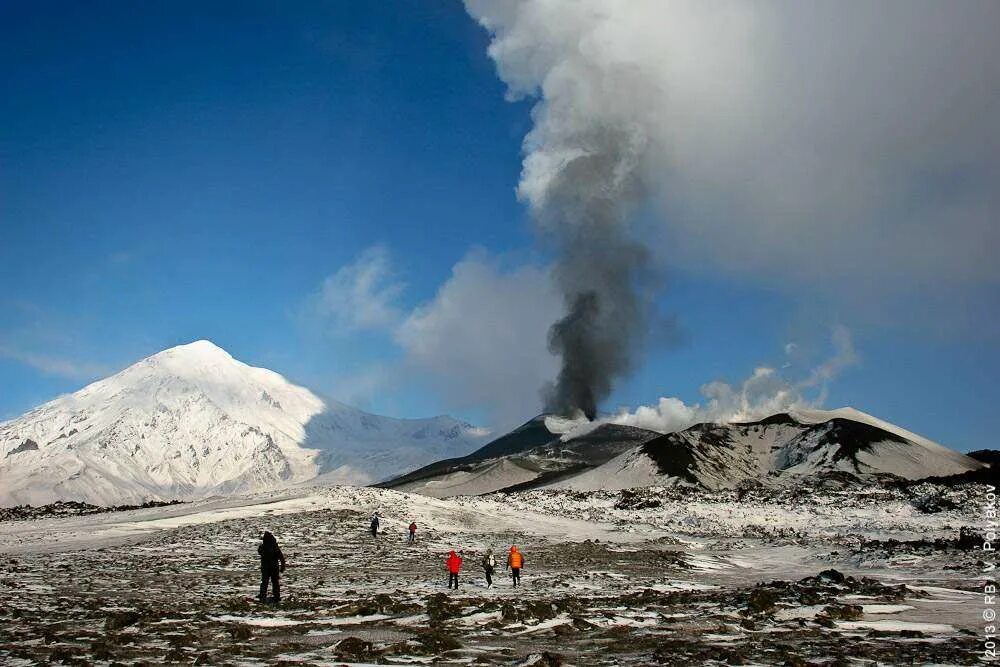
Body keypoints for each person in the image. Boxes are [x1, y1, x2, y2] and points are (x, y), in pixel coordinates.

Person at [257, 531, 286, 603]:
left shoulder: (263, 547)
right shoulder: (274, 546)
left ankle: (263, 595)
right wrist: (282, 566)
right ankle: (276, 596)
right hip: (273, 567)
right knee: (274, 582)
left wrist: (282, 566)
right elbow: (281, 557)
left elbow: (260, 552)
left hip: (267, 567)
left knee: (265, 582)